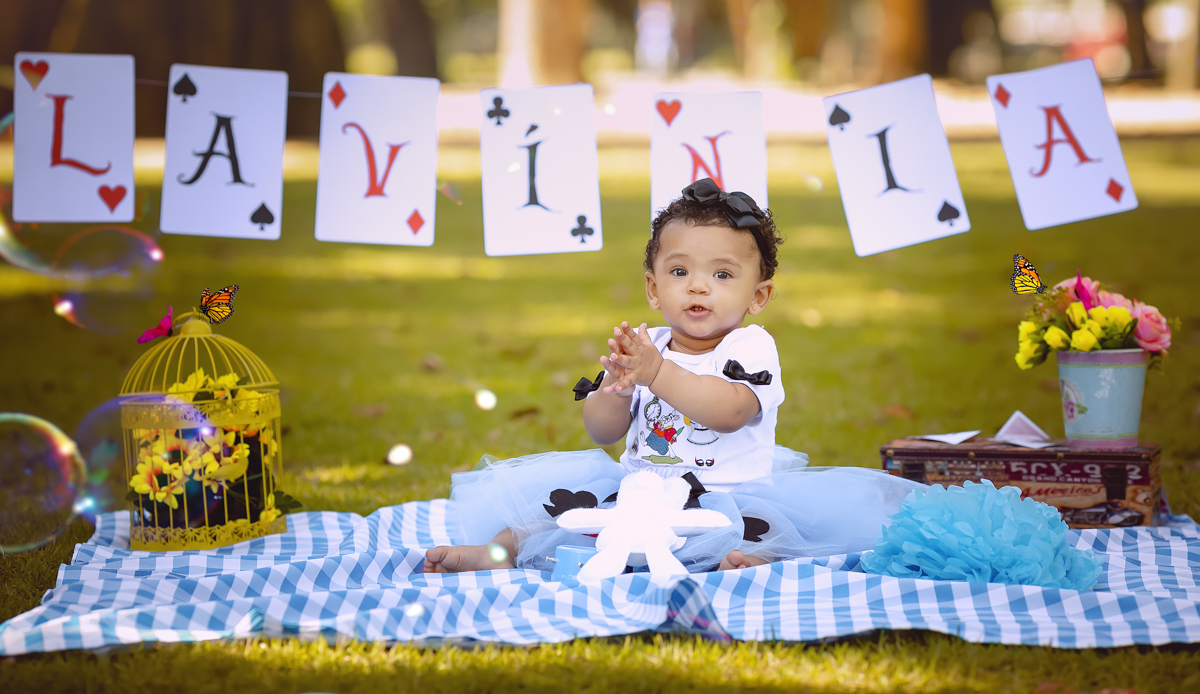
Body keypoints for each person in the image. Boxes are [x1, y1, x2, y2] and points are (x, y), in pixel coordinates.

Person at [424, 178, 924, 574]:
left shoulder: (750, 347)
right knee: (554, 514)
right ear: (654, 288)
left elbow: (729, 412)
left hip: (725, 492)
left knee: (767, 531)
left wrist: (657, 373)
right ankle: (494, 554)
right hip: (639, 491)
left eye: (723, 275)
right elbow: (602, 432)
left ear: (758, 297)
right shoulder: (649, 346)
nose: (699, 285)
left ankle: (754, 564)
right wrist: (618, 389)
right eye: (680, 272)